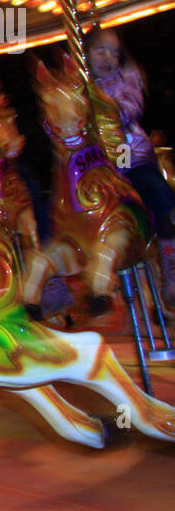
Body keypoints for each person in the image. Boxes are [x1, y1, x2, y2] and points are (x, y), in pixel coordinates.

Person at [85, 25, 175, 304]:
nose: (107, 58)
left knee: (154, 190)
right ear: (85, 53)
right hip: (93, 161)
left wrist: (103, 103)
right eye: (100, 50)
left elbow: (129, 109)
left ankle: (171, 265)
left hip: (127, 151)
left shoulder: (126, 80)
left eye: (114, 52)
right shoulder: (79, 84)